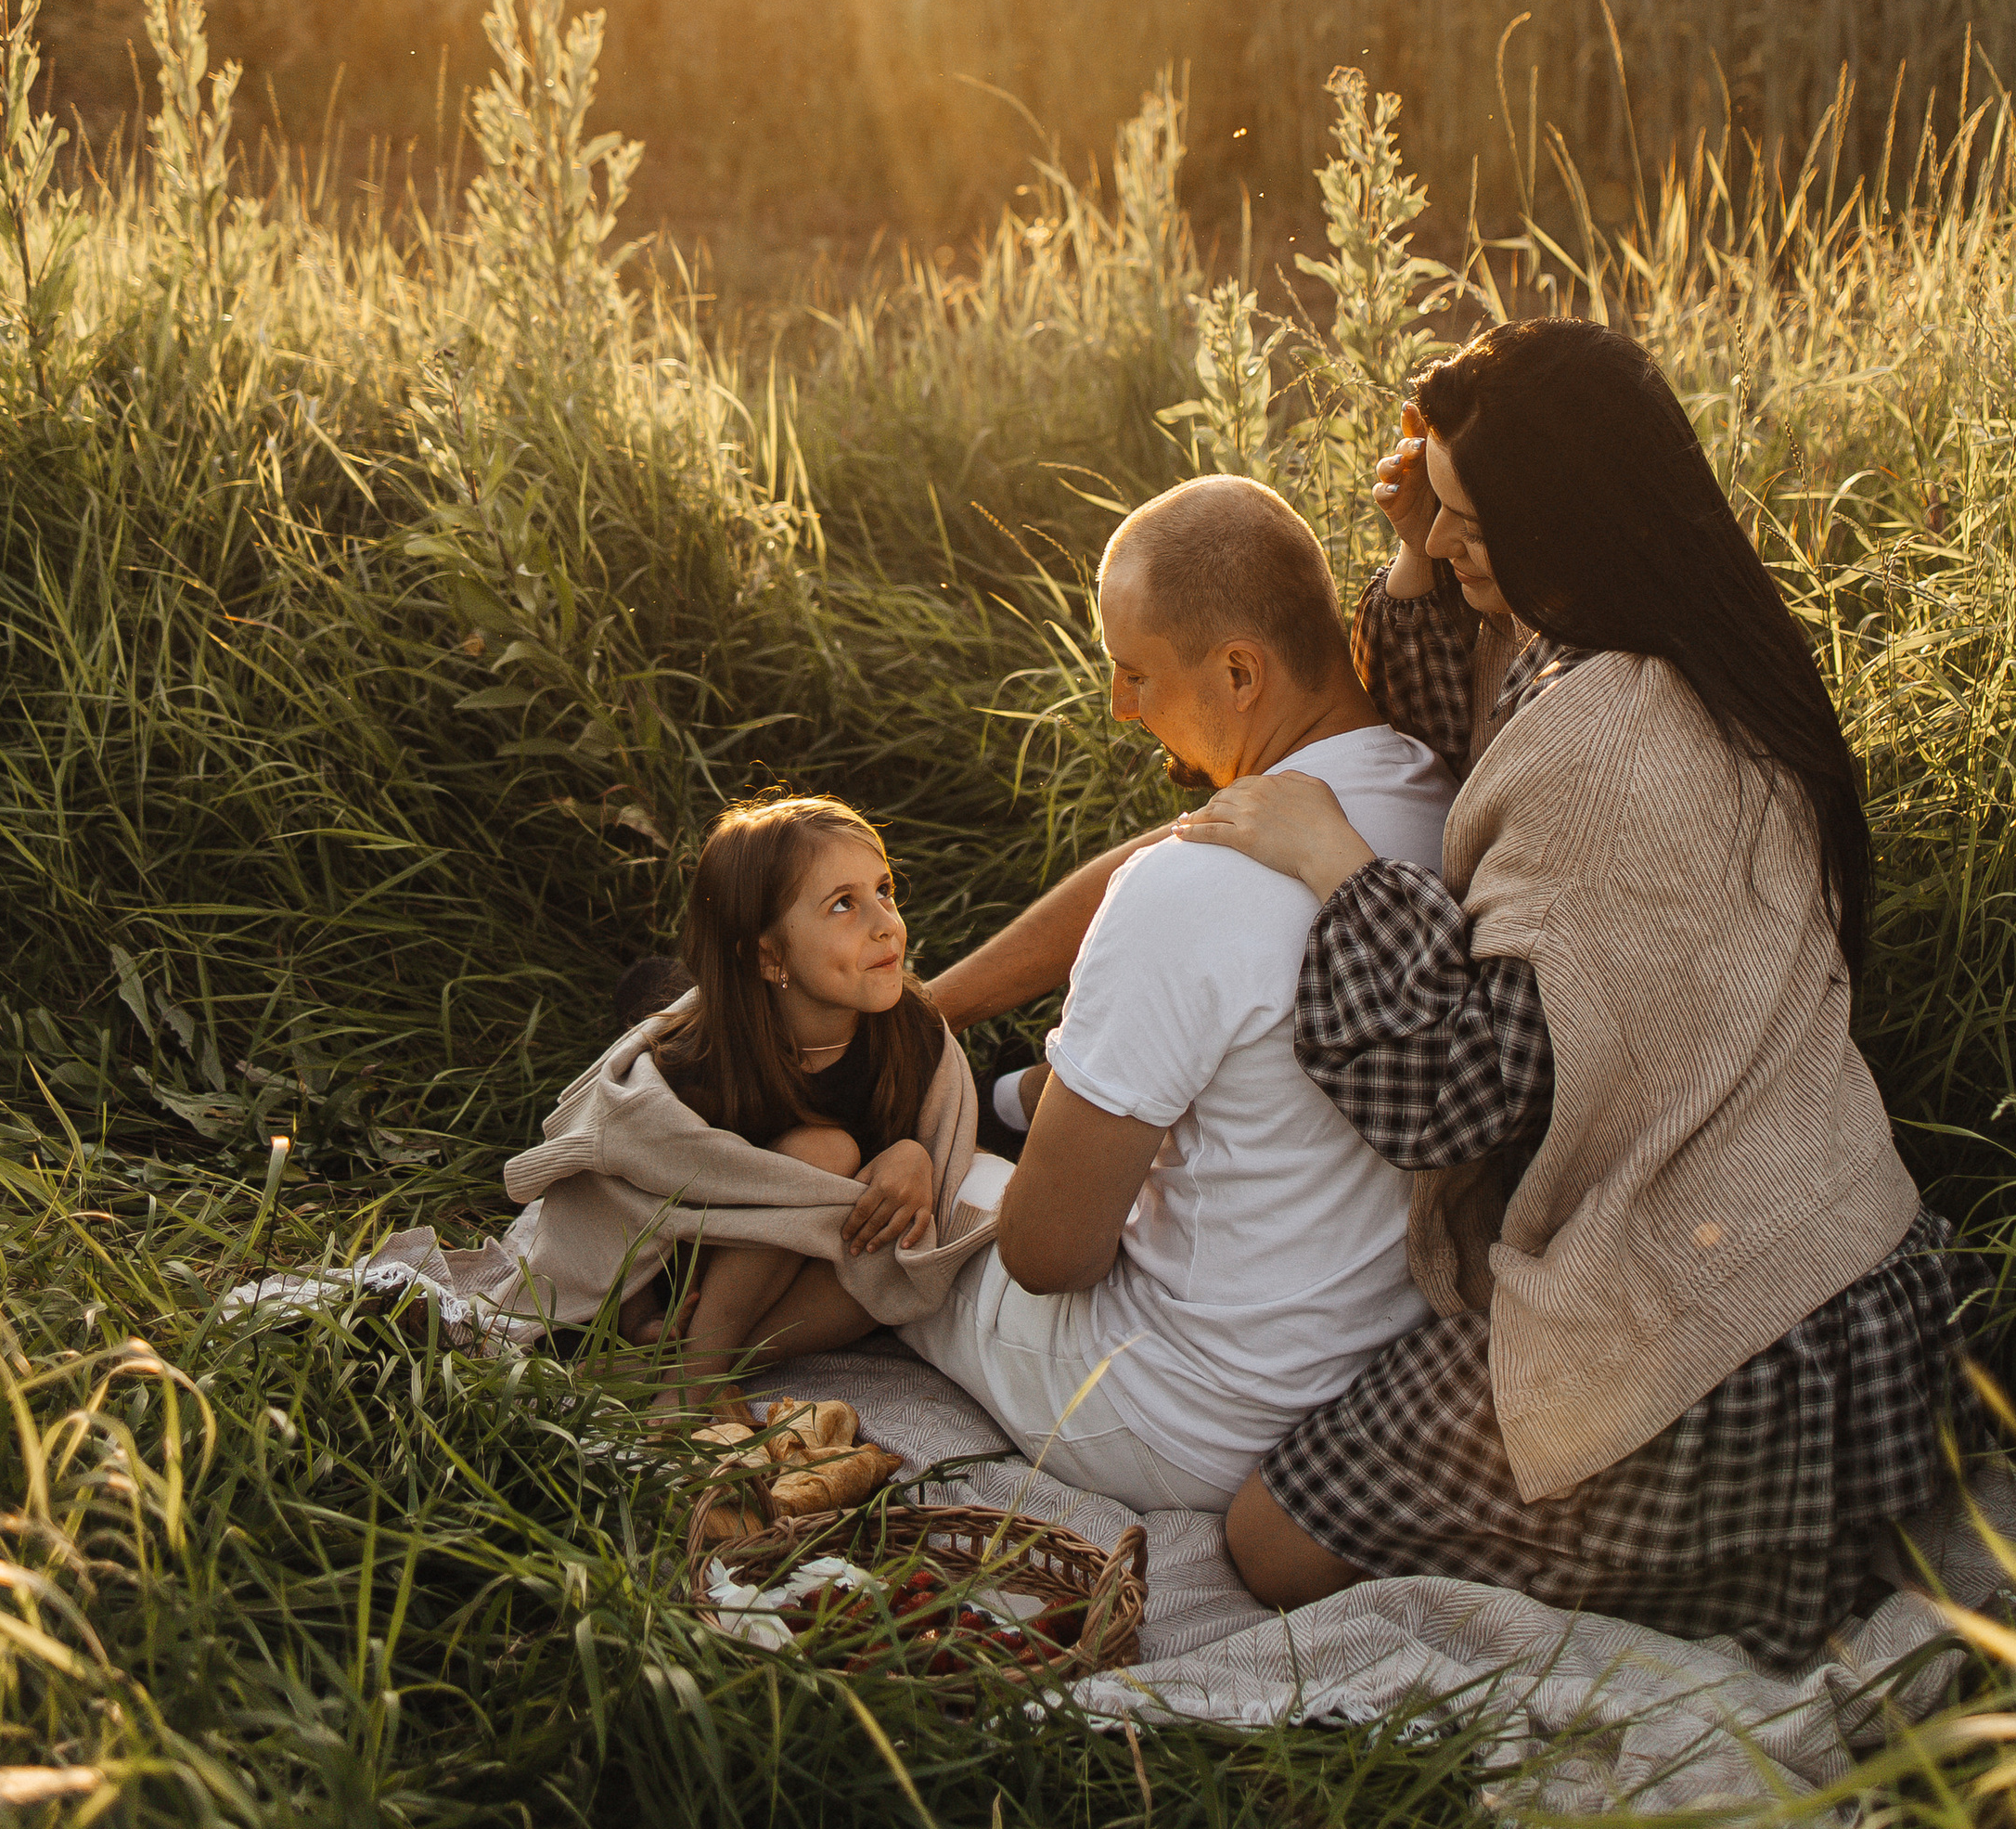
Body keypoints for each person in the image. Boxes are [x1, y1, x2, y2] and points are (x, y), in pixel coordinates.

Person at [1170, 321, 1961, 1668]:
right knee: (1325, 1506)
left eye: (1476, 522)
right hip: (1858, 1278)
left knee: (1270, 1539)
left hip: (1725, 1339)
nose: (1452, 541)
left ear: (1564, 521)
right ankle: (1741, 1548)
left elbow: (1451, 1099)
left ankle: (1738, 1557)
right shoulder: (1680, 637)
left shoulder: (1609, 748)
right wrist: (1424, 548)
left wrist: (1340, 867)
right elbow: (1463, 727)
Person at [906, 474, 1455, 1511]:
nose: (1119, 707)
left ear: (1239, 671)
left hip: (1177, 1414)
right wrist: (932, 1005)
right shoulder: (1438, 797)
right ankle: (1005, 1092)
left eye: (1133, 673)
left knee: (889, 1197)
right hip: (1360, 1386)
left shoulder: (1188, 894)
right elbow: (1162, 854)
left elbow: (1048, 1254)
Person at [507, 795, 983, 1409]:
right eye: (844, 904)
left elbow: (936, 1175)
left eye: (884, 890)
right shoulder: (697, 1061)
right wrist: (635, 1315)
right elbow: (609, 1188)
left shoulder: (911, 1035)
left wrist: (914, 1155)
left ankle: (694, 1371)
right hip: (684, 1268)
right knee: (824, 1150)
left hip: (807, 1272)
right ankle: (691, 1366)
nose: (886, 921)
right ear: (770, 956)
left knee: (891, 1264)